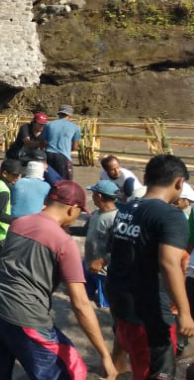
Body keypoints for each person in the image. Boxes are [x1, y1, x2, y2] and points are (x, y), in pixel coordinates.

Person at [0, 180, 118, 380]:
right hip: (26, 318)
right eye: (79, 212)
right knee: (72, 371)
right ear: (72, 209)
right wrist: (104, 355)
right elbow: (80, 303)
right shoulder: (64, 243)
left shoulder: (18, 223)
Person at [107, 154, 193, 380]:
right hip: (151, 316)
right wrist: (184, 313)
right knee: (156, 372)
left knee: (138, 365)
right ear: (179, 183)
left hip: (122, 307)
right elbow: (169, 263)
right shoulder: (171, 216)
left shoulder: (126, 209)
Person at [74, 180, 119, 309]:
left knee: (104, 305)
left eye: (93, 194)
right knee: (84, 297)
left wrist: (102, 261)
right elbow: (85, 230)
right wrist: (66, 229)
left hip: (104, 271)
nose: (92, 197)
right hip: (89, 265)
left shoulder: (115, 219)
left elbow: (119, 246)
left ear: (99, 196)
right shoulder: (95, 214)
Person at [39, 105, 81, 180]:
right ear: (70, 115)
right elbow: (75, 146)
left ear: (59, 114)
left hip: (49, 154)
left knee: (48, 178)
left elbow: (42, 142)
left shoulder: (49, 125)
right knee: (65, 181)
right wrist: (68, 149)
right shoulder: (75, 127)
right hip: (63, 156)